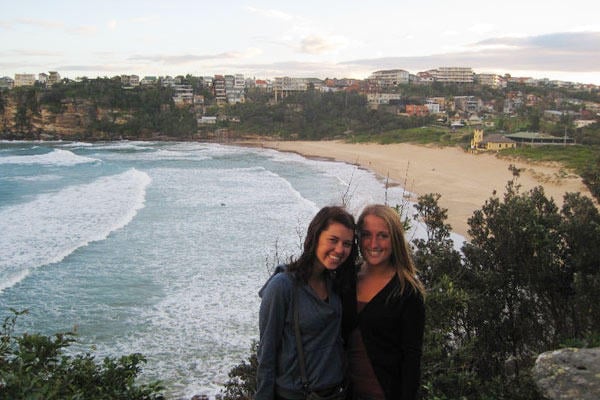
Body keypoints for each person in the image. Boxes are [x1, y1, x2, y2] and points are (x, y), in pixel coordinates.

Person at [256, 206, 359, 400]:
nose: (339, 249)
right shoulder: (283, 286)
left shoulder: (335, 283)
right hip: (295, 395)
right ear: (315, 237)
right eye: (333, 240)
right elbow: (267, 354)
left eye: (347, 244)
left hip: (337, 393)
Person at [340, 204, 426, 400]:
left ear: (394, 239)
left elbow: (412, 359)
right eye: (366, 234)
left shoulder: (407, 291)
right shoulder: (346, 279)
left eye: (383, 235)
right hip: (344, 393)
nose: (373, 243)